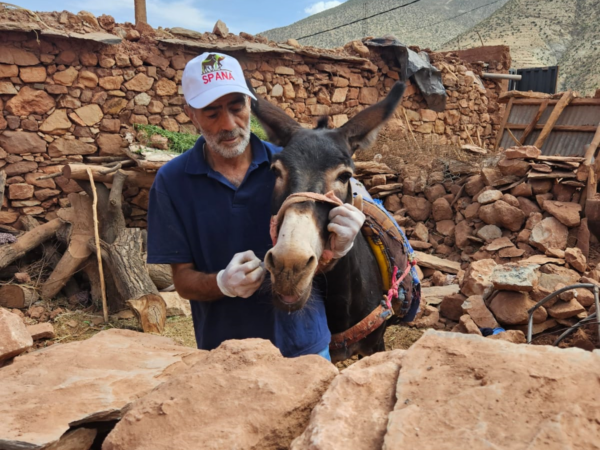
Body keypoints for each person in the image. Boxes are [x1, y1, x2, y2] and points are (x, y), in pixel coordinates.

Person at [146, 52, 365, 360]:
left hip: (306, 350)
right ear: (190, 114)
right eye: (211, 113)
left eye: (237, 107)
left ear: (249, 103)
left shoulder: (294, 164)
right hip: (226, 355)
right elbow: (182, 279)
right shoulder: (172, 182)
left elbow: (321, 262)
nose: (228, 124)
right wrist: (222, 283)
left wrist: (339, 247)